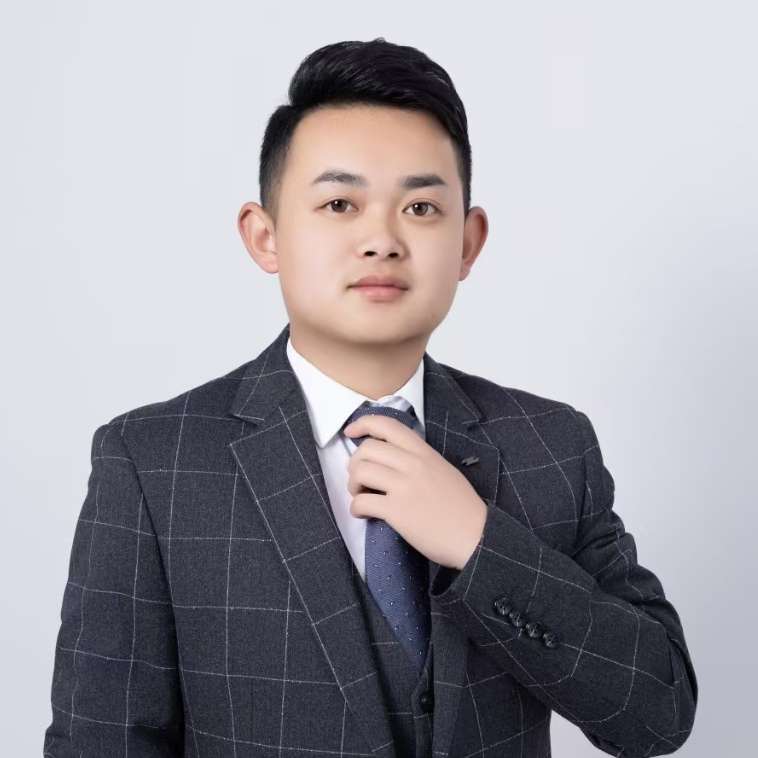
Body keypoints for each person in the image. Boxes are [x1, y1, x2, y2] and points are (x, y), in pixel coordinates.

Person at [43, 37, 697, 758]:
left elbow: (657, 714)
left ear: (468, 243)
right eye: (339, 203)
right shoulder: (155, 462)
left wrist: (481, 545)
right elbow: (101, 742)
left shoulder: (551, 444)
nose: (381, 239)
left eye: (420, 207)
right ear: (265, 236)